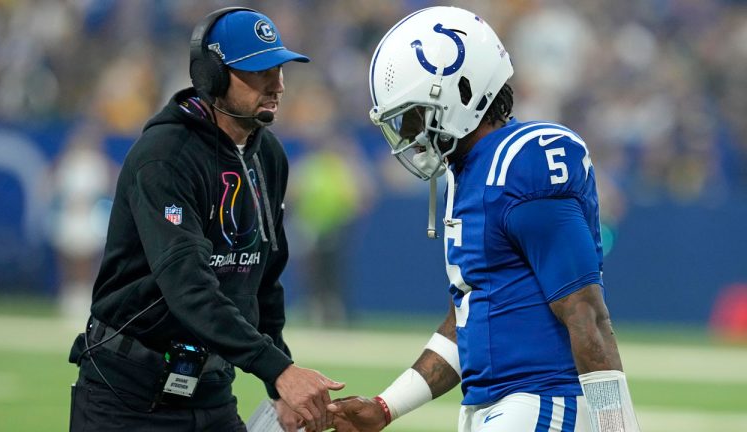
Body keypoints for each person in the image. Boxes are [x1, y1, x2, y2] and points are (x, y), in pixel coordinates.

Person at [329, 6, 641, 432]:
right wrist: (387, 407)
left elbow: (587, 313)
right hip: (498, 408)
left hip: (544, 402)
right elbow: (469, 319)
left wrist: (617, 426)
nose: (407, 132)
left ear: (461, 92)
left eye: (414, 112)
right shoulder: (467, 173)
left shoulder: (526, 158)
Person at [68, 7, 343, 432]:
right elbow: (187, 284)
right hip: (127, 397)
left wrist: (279, 383)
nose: (278, 85)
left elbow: (264, 282)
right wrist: (278, 371)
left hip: (211, 391)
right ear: (211, 77)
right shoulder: (164, 157)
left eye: (280, 69)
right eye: (259, 71)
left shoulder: (268, 156)